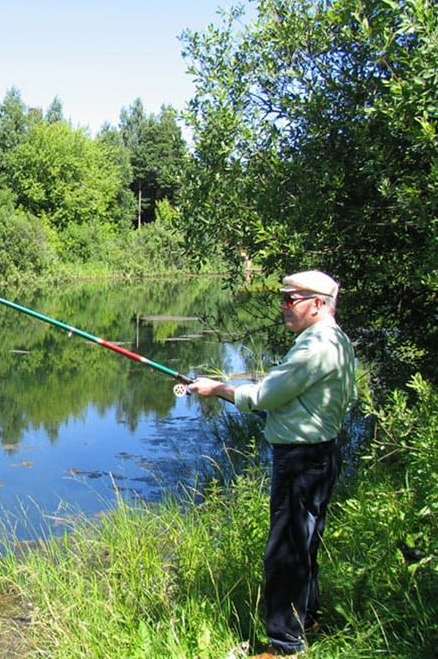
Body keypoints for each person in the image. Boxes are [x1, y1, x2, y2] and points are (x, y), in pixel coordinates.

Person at [188, 270, 356, 657]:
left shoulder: (314, 346)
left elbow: (264, 395)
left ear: (317, 303)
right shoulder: (337, 340)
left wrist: (218, 389)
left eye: (290, 299)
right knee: (306, 542)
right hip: (322, 454)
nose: (284, 307)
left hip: (300, 460)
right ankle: (307, 617)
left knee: (284, 549)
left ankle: (283, 646)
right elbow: (302, 395)